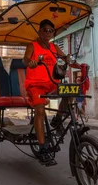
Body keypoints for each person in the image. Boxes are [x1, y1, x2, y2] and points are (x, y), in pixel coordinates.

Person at [23, 19, 72, 166]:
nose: (48, 33)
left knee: (70, 92)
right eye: (45, 30)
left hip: (52, 84)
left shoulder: (54, 47)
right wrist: (30, 62)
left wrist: (74, 62)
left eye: (51, 30)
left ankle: (58, 118)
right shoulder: (32, 45)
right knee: (40, 111)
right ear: (39, 31)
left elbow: (66, 59)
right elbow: (25, 60)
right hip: (36, 85)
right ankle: (43, 148)